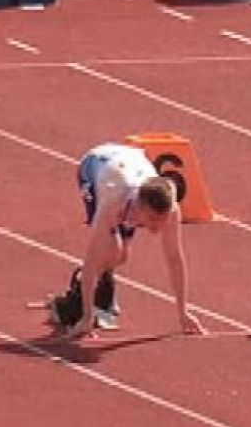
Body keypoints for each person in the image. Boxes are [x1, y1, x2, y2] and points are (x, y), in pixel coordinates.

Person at [49, 143, 203, 338]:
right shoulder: (113, 202)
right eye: (153, 219)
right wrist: (86, 318)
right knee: (111, 252)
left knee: (122, 256)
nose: (158, 227)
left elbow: (174, 259)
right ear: (140, 206)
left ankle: (101, 290)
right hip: (95, 166)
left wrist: (183, 313)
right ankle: (79, 297)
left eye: (163, 219)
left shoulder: (171, 211)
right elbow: (91, 258)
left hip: (130, 159)